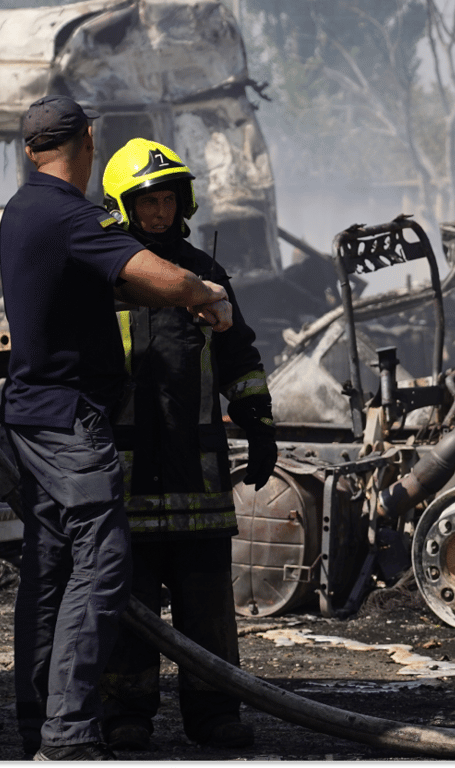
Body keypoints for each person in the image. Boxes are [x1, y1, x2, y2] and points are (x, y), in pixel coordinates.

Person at [0, 95, 234, 762]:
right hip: (71, 421)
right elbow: (142, 270)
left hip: (33, 413)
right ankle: (70, 732)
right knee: (102, 564)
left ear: (29, 148)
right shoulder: (71, 215)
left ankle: (36, 722)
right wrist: (203, 293)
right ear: (89, 142)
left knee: (49, 570)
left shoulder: (23, 212)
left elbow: (107, 287)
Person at [97, 138, 277, 751]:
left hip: (198, 475)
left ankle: (213, 712)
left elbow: (239, 355)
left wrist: (257, 421)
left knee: (207, 607)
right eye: (147, 201)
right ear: (124, 206)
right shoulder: (107, 279)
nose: (159, 212)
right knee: (128, 605)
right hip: (124, 476)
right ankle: (125, 713)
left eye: (168, 199)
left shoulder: (206, 276)